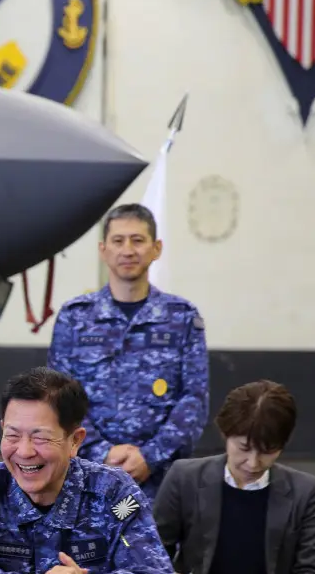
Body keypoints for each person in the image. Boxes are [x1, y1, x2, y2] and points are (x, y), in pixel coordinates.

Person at [0, 367, 174, 574]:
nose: (24, 452)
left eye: (41, 438)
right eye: (12, 435)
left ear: (75, 440)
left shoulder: (113, 492)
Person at [47, 203, 209, 500]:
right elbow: (58, 398)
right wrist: (103, 453)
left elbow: (194, 400)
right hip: (87, 479)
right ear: (103, 249)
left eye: (138, 240)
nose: (128, 250)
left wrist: (150, 456)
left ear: (156, 248)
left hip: (162, 483)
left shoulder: (182, 317)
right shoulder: (75, 317)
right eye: (118, 241)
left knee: (157, 547)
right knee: (85, 548)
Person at [154, 381, 315, 574]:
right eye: (244, 448)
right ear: (225, 434)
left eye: (268, 451)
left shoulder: (305, 491)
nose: (253, 463)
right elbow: (150, 550)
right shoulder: (185, 477)